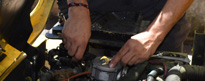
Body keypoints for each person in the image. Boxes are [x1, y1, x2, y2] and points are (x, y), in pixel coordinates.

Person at [60, 0, 193, 67]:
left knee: (165, 74)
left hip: (157, 8)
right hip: (89, 6)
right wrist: (77, 8)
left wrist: (155, 34)